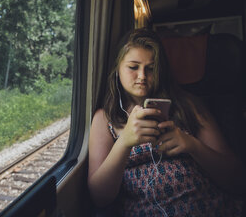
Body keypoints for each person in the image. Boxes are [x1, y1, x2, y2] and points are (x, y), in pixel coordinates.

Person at [87, 28, 245, 216]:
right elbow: (99, 197)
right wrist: (124, 142)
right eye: (133, 67)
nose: (142, 76)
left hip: (207, 205)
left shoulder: (188, 105)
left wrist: (191, 145)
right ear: (117, 69)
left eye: (151, 68)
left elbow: (237, 179)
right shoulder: (106, 118)